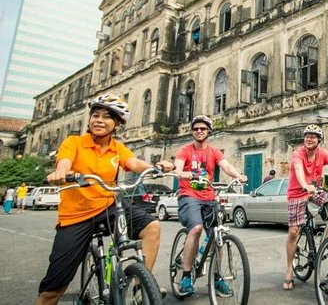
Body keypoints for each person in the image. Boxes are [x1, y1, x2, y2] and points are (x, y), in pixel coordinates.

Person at [36, 94, 175, 305]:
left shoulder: (116, 148)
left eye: (107, 117)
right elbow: (64, 161)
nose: (99, 120)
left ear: (117, 124)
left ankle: (140, 284)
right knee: (53, 290)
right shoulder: (74, 142)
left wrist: (155, 168)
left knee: (152, 226)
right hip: (76, 218)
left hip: (108, 207)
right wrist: (61, 172)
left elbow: (133, 163)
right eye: (95, 115)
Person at [174, 115, 248, 297]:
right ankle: (185, 276)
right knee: (196, 228)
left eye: (203, 129)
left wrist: (238, 175)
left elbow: (226, 165)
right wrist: (181, 173)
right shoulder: (185, 150)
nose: (199, 131)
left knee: (217, 236)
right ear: (192, 132)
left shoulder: (214, 152)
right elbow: (177, 166)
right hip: (189, 196)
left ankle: (217, 277)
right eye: (196, 128)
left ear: (209, 132)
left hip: (209, 197)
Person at [284, 125, 328, 291]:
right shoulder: (298, 153)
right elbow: (298, 168)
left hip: (314, 191)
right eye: (307, 136)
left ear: (319, 140)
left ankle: (326, 240)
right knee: (293, 232)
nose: (309, 139)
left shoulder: (322, 153)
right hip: (297, 192)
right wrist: (305, 184)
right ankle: (289, 269)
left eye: (313, 136)